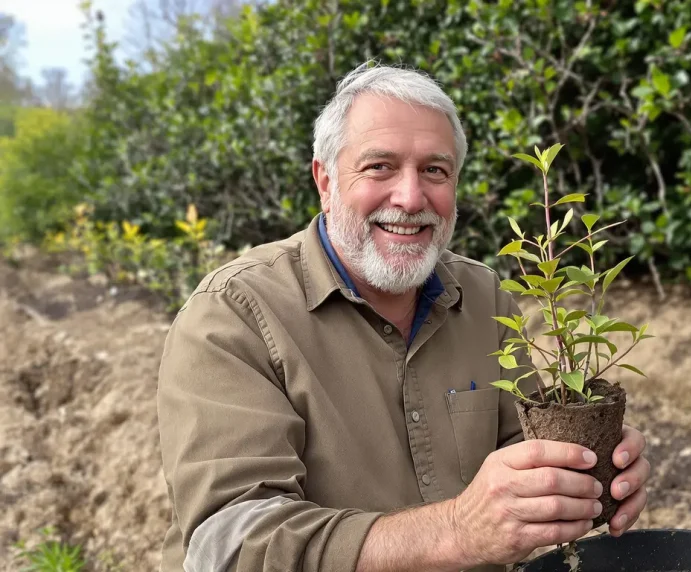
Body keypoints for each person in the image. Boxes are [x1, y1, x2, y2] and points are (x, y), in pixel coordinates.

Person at [156, 62, 651, 572]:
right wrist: (458, 531)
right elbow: (231, 547)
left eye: (435, 170)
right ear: (325, 181)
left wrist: (587, 470)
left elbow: (517, 449)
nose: (411, 198)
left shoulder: (484, 297)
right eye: (379, 167)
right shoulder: (232, 317)